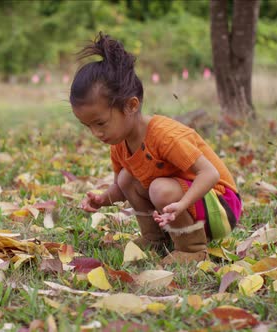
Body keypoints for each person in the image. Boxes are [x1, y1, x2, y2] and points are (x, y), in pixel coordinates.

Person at [71, 33, 242, 265]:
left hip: (220, 207)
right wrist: (103, 199)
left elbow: (209, 174)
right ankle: (155, 239)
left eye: (100, 123)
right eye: (87, 126)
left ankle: (192, 248)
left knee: (160, 188)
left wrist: (182, 204)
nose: (96, 133)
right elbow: (122, 189)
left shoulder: (165, 136)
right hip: (183, 205)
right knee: (126, 178)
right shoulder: (120, 143)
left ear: (131, 105)